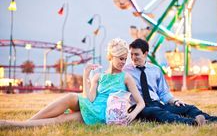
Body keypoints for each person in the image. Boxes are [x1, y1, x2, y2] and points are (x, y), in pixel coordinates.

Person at [0, 39, 144, 128]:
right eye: (120, 58)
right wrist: (86, 75)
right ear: (110, 57)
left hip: (101, 113)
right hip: (92, 105)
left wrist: (132, 115)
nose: (123, 62)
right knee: (70, 96)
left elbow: (140, 103)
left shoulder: (126, 77)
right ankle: (25, 123)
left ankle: (14, 125)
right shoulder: (99, 76)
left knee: (61, 120)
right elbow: (90, 98)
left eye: (125, 59)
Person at [125, 38, 217, 126]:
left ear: (145, 54)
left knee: (188, 108)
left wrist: (174, 101)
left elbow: (163, 93)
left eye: (136, 54)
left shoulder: (155, 70)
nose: (133, 57)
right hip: (140, 107)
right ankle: (193, 123)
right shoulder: (126, 71)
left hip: (157, 103)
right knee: (159, 113)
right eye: (131, 54)